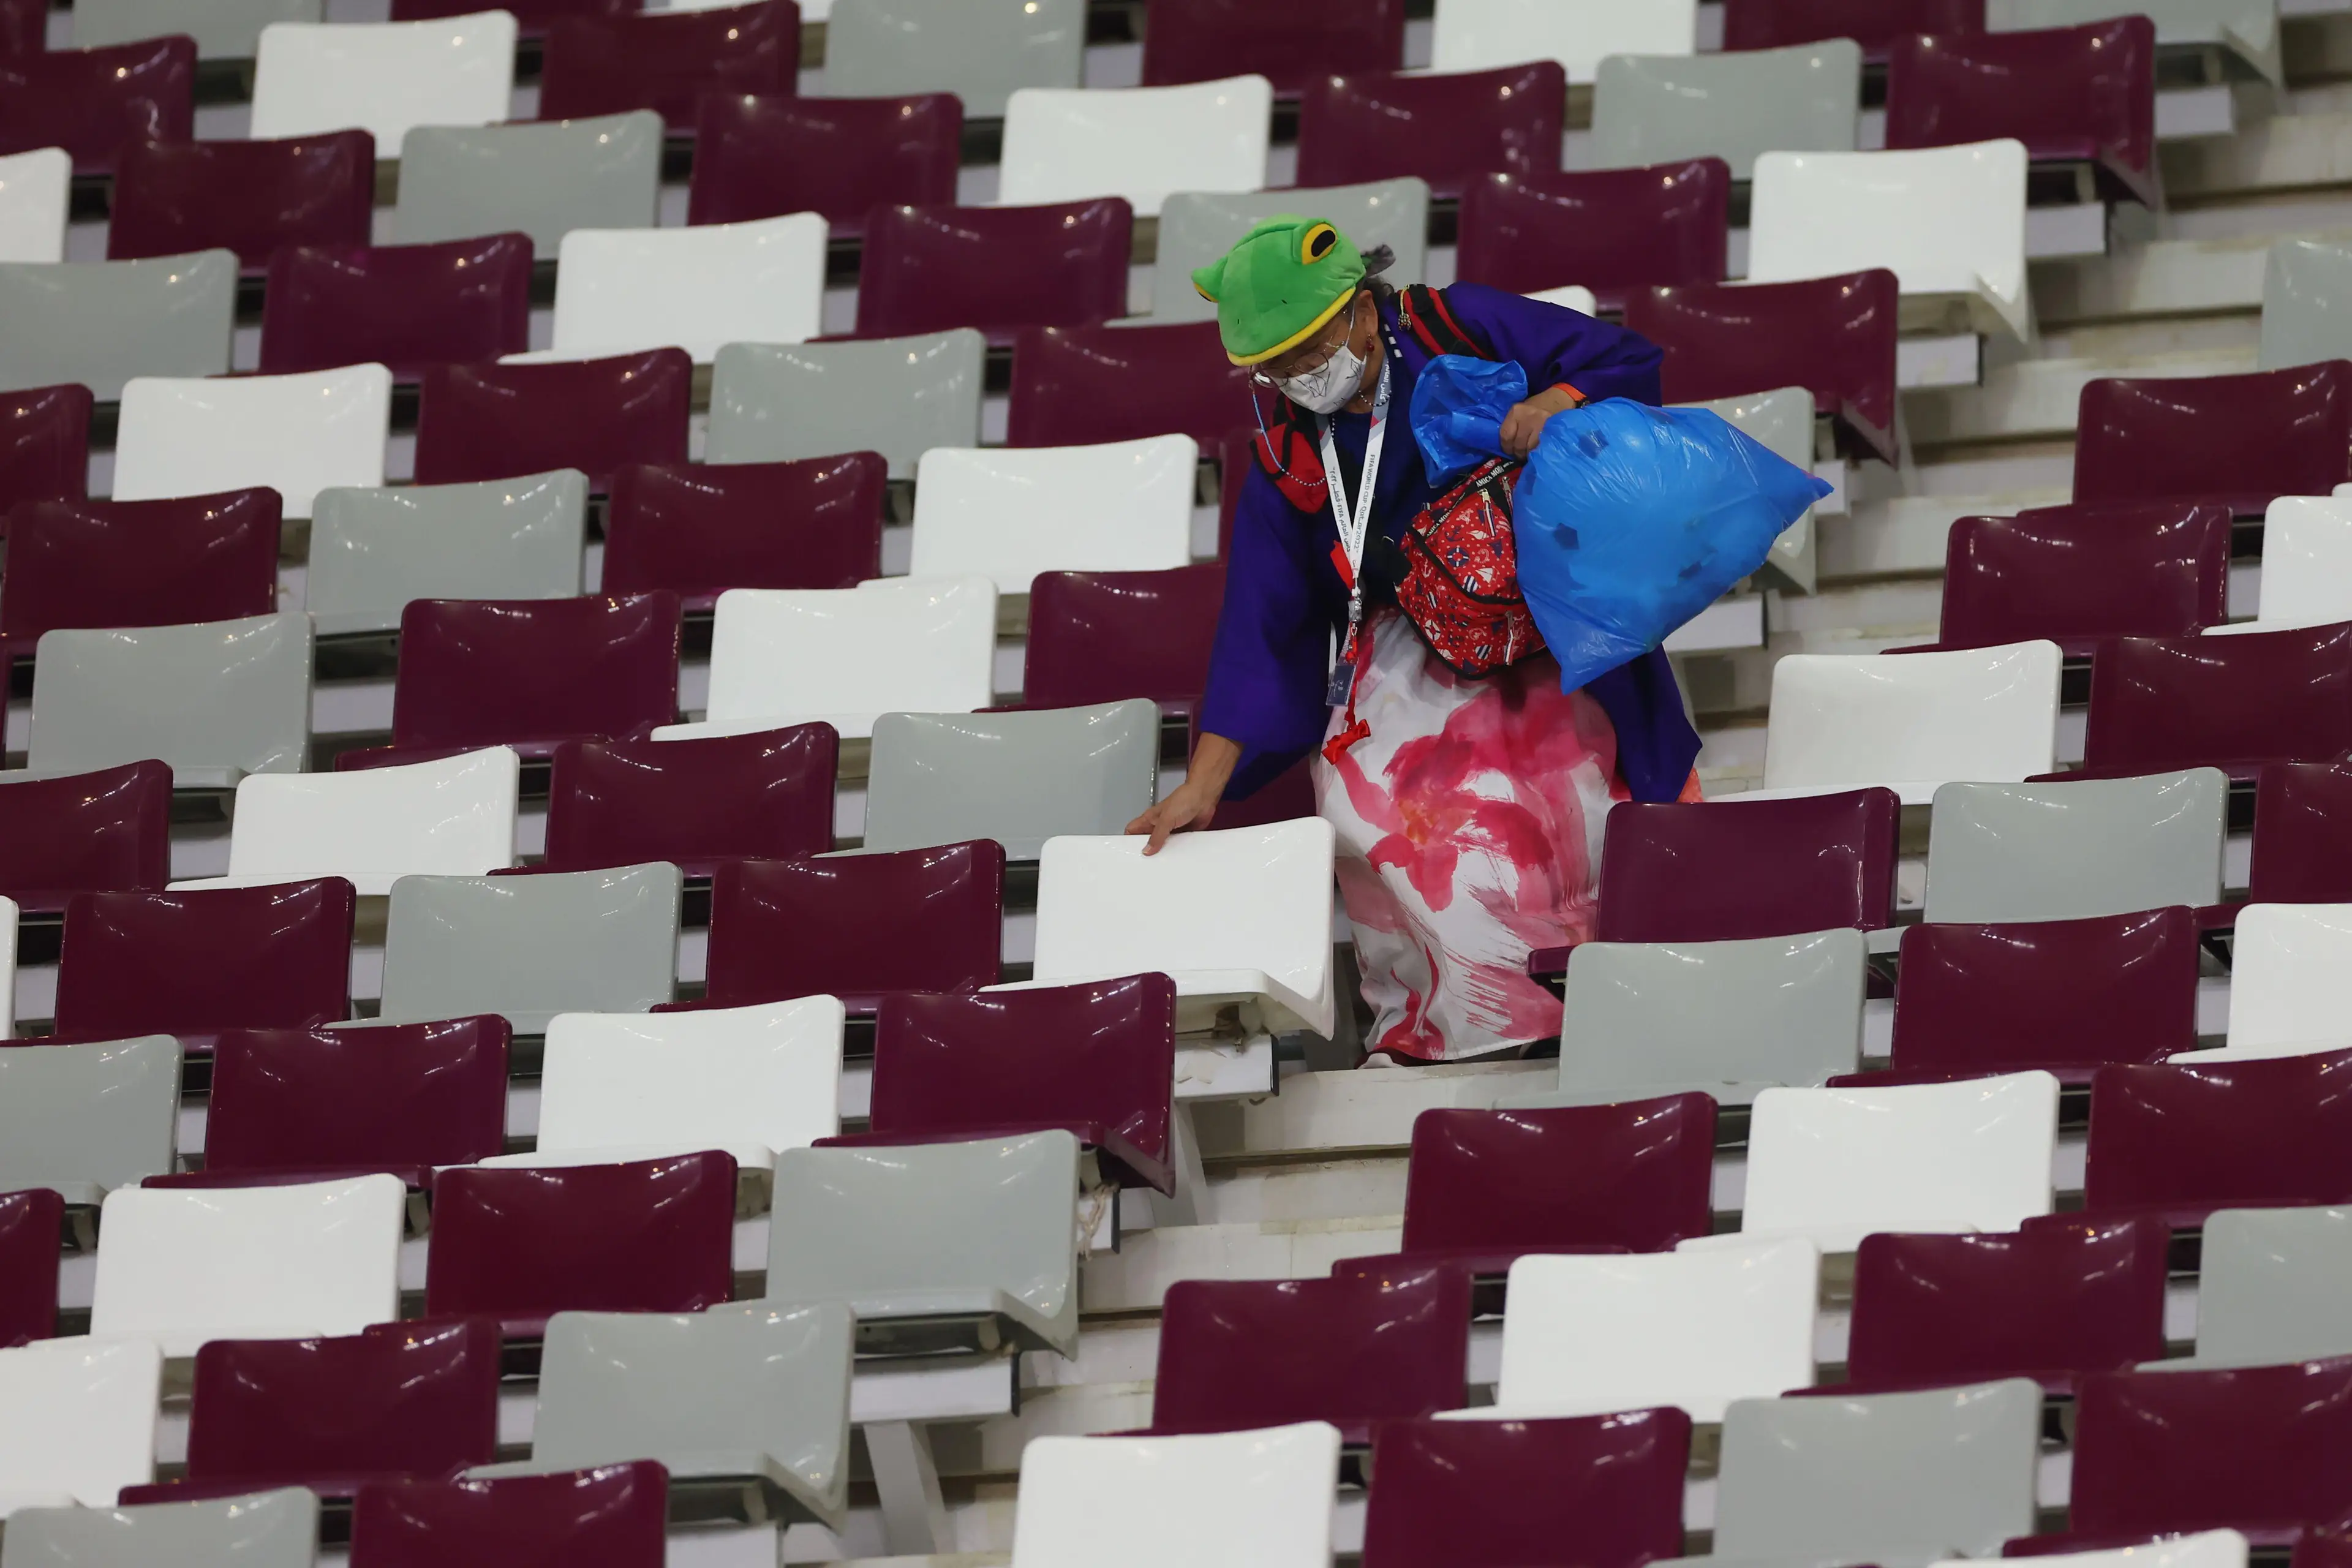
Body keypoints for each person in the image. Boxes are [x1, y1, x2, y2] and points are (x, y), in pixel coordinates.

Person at [1125, 216, 1703, 1066]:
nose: (1299, 376)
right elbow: (1264, 625)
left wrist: (1554, 404)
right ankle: (1472, 1029)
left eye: (1309, 349)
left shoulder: (1454, 325)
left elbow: (1620, 360)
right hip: (1405, 647)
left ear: (1363, 311)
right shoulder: (1289, 451)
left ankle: (1613, 996)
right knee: (1380, 808)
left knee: (1565, 793)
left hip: (1542, 616)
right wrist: (1202, 786)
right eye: (1274, 367)